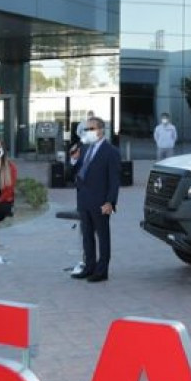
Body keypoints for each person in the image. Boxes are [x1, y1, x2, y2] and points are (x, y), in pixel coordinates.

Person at [69, 116, 121, 283]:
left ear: (100, 130)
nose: (88, 132)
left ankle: (102, 270)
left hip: (101, 201)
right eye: (86, 129)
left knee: (103, 236)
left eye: (91, 129)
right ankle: (89, 266)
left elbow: (114, 180)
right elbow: (75, 172)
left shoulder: (111, 151)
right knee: (87, 236)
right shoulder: (84, 148)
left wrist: (110, 202)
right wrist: (73, 159)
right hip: (84, 199)